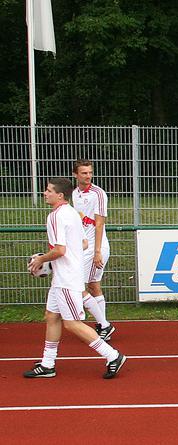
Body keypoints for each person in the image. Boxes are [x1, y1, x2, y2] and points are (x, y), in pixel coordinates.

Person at [24, 178, 126, 379]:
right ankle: (47, 363)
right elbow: (85, 244)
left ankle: (113, 355)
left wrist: (41, 260)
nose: (45, 193)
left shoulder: (55, 217)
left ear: (59, 195)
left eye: (48, 190)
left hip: (66, 280)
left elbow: (59, 250)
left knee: (72, 324)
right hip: (65, 278)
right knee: (52, 317)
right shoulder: (71, 213)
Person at [71, 159, 114, 341]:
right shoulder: (74, 194)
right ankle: (102, 325)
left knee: (76, 285)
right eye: (84, 173)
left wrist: (97, 252)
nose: (88, 176)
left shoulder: (98, 194)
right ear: (76, 175)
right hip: (84, 247)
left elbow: (99, 224)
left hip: (96, 247)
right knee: (93, 285)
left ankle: (104, 325)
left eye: (90, 172)